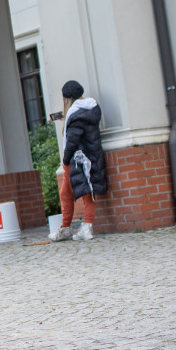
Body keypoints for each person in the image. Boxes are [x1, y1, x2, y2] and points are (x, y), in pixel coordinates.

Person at [52, 80, 107, 242]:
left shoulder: (74, 115)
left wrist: (66, 158)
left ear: (67, 98)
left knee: (69, 194)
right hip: (92, 156)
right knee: (85, 193)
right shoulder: (91, 108)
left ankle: (69, 228)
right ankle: (81, 228)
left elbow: (72, 140)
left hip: (77, 159)